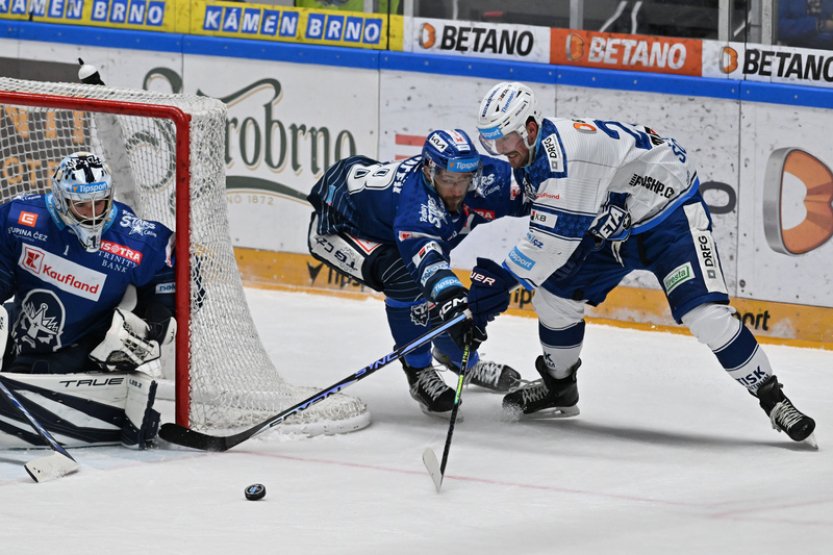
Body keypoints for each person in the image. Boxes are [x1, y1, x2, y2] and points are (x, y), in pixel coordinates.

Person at [464, 81, 816, 445]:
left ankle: (774, 400)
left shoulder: (565, 161)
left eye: (503, 140)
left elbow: (552, 243)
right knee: (553, 299)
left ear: (531, 128)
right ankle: (559, 388)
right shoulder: (531, 151)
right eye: (491, 141)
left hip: (670, 219)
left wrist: (498, 281)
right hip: (617, 225)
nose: (499, 150)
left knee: (706, 316)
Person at [307, 129, 526, 417]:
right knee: (408, 279)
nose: (458, 190)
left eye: (463, 179)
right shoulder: (417, 207)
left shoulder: (485, 178)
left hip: (382, 219)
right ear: (429, 170)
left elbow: (537, 192)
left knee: (439, 297)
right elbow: (429, 266)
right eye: (448, 180)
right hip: (340, 223)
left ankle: (461, 361)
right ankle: (419, 371)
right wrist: (455, 300)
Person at [0, 151, 176, 449]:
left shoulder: (136, 239)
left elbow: (167, 277)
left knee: (132, 336)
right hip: (21, 331)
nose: (93, 213)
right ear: (60, 199)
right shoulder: (18, 218)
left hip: (85, 345)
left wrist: (158, 312)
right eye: (82, 205)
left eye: (100, 203)